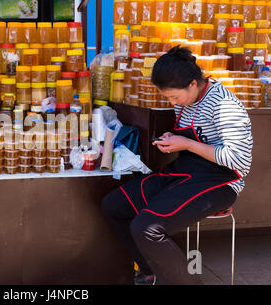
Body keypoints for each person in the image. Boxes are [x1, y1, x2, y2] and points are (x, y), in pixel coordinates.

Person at [101, 46, 253, 285]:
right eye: (168, 97)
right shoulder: (185, 99)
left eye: (174, 97)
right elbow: (193, 137)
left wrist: (187, 144)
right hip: (187, 169)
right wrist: (175, 141)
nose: (172, 102)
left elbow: (240, 160)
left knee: (147, 228)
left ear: (193, 83)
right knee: (114, 206)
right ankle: (152, 272)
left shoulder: (225, 105)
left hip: (223, 181)